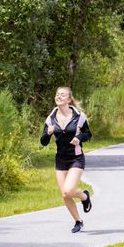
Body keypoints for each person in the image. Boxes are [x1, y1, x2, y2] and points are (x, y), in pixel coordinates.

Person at [40, 86, 92, 233]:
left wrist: (79, 137)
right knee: (65, 194)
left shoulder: (79, 116)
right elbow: (43, 142)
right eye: (57, 95)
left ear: (69, 99)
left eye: (62, 95)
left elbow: (88, 134)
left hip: (76, 158)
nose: (59, 97)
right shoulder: (50, 119)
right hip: (60, 159)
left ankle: (84, 196)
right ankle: (78, 221)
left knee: (69, 190)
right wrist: (48, 134)